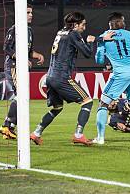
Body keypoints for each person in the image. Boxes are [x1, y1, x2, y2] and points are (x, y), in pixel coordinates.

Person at [30, 12, 95, 146]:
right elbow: (88, 53)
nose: (84, 27)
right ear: (75, 25)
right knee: (87, 101)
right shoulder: (73, 34)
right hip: (62, 77)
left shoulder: (60, 32)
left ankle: (36, 133)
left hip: (50, 76)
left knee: (57, 107)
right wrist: (90, 43)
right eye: (83, 24)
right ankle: (78, 134)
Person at [93, 12, 130, 144]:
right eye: (122, 21)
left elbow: (99, 59)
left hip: (120, 73)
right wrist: (127, 58)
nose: (124, 23)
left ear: (110, 24)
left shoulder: (104, 37)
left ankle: (100, 138)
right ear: (118, 23)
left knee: (103, 104)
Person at [0, 5, 44, 140]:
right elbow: (6, 48)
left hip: (21, 67)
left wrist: (37, 55)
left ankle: (9, 128)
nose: (31, 15)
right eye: (28, 12)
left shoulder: (29, 31)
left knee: (23, 96)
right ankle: (6, 125)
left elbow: (28, 51)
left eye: (31, 12)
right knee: (21, 95)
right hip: (12, 66)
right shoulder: (15, 28)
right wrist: (22, 59)